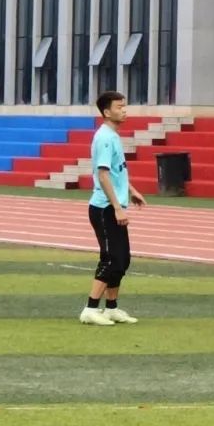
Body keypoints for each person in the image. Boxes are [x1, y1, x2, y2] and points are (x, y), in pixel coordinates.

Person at [79, 91, 147, 326]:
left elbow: (117, 171)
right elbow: (103, 174)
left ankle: (111, 308)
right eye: (119, 107)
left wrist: (131, 190)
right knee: (111, 259)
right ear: (107, 112)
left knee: (122, 259)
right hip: (104, 207)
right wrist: (117, 207)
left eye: (124, 106)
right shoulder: (105, 138)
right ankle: (90, 308)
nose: (124, 110)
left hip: (112, 205)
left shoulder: (113, 136)